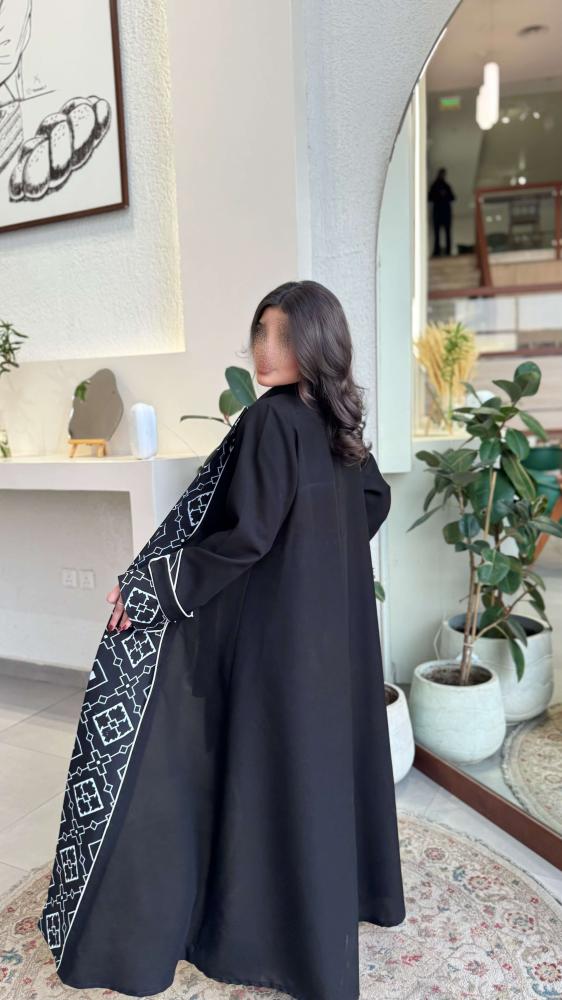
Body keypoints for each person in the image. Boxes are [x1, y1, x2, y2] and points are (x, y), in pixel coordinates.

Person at [37, 279, 406, 1000]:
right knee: (317, 772)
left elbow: (247, 537)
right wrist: (318, 564)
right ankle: (337, 917)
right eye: (261, 332)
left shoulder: (271, 419)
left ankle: (258, 937)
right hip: (333, 639)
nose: (264, 350)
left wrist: (153, 589)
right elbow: (373, 500)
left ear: (317, 342)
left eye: (283, 335)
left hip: (281, 643)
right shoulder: (335, 420)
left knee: (273, 772)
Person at [428, 166, 456, 257]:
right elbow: (429, 198)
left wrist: (445, 195)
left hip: (445, 213)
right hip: (438, 213)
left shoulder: (446, 186)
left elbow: (452, 197)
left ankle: (447, 251)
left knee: (447, 233)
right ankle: (437, 251)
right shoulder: (435, 186)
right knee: (437, 233)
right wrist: (439, 196)